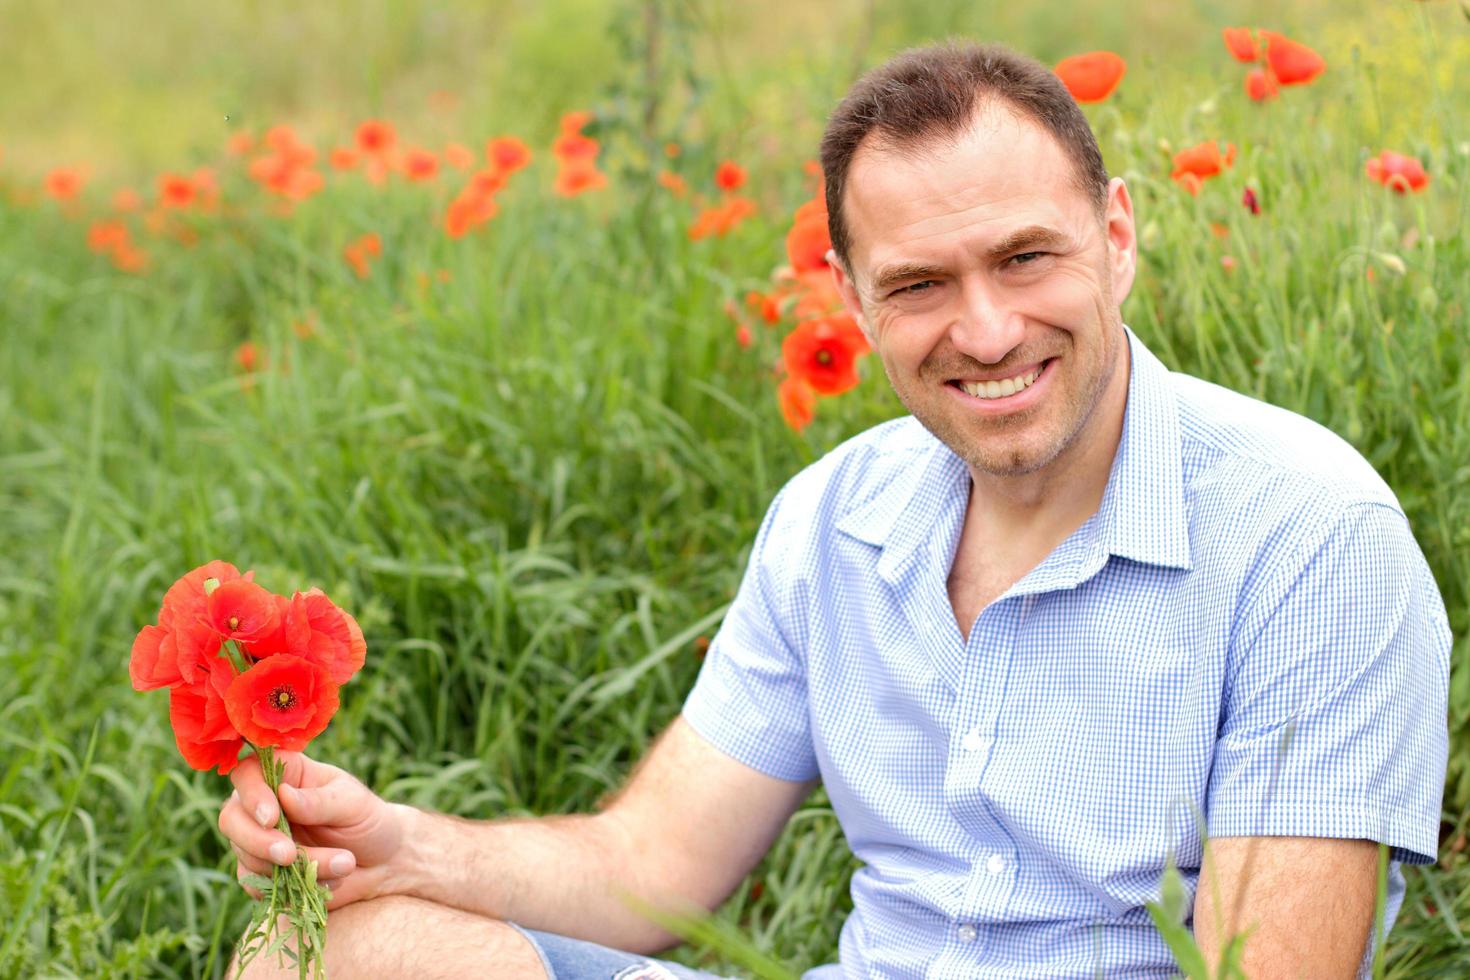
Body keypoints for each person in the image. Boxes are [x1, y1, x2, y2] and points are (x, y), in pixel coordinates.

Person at [220, 41, 1450, 979]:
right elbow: (651, 867)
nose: (984, 329)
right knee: (324, 945)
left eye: (1025, 258)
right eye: (919, 282)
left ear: (1116, 236)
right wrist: (405, 846)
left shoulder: (1310, 536)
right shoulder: (834, 517)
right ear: (854, 302)